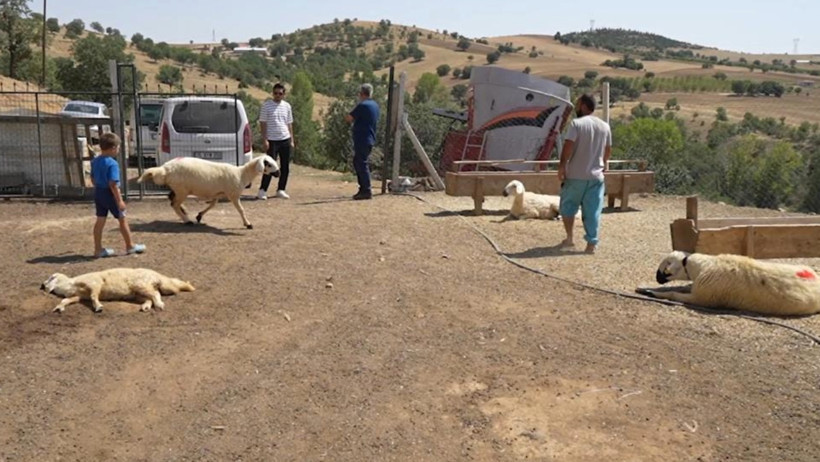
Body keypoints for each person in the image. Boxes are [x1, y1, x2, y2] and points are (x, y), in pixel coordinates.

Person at [557, 93, 612, 254]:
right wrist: (604, 163)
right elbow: (608, 149)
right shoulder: (605, 126)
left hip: (575, 175)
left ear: (583, 106)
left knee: (568, 207)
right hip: (596, 177)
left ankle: (569, 238)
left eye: (578, 103)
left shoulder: (576, 124)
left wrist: (562, 166)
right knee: (593, 211)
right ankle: (591, 244)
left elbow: (568, 146)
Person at [91, 133, 145, 258]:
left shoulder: (95, 161)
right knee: (122, 219)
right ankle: (130, 246)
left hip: (99, 192)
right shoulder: (112, 164)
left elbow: (93, 179)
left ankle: (98, 249)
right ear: (113, 148)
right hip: (110, 194)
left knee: (100, 220)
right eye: (119, 147)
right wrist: (119, 200)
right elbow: (113, 184)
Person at [258, 82, 294, 200]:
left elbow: (289, 123)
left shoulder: (287, 106)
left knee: (285, 166)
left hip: (285, 139)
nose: (277, 95)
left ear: (284, 94)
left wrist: (292, 140)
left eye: (280, 93)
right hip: (272, 140)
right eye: (275, 93)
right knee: (269, 166)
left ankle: (281, 189)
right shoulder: (266, 105)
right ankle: (263, 190)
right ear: (272, 93)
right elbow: (263, 123)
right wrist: (265, 139)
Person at [345, 83, 380, 200]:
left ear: (361, 93)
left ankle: (366, 190)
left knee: (361, 163)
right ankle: (363, 188)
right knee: (358, 162)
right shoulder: (375, 105)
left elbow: (349, 118)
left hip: (362, 138)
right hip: (370, 137)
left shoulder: (362, 106)